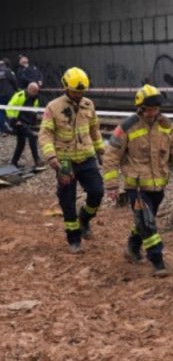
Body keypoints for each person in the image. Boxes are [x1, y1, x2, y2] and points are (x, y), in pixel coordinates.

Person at [103, 84, 173, 277]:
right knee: (148, 223)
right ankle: (157, 260)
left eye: (156, 109)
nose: (153, 112)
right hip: (137, 186)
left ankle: (132, 247)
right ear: (140, 107)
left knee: (142, 221)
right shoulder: (126, 127)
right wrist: (111, 185)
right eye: (149, 109)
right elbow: (111, 156)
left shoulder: (166, 125)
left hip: (158, 185)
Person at [39, 67, 105, 254]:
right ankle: (74, 238)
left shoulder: (88, 105)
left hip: (86, 157)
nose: (78, 95)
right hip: (64, 161)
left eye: (81, 91)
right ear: (66, 87)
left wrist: (101, 150)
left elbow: (94, 130)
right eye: (75, 91)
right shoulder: (53, 107)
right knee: (67, 201)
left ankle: (84, 219)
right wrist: (52, 157)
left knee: (97, 192)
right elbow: (45, 135)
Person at [7, 82, 44, 171]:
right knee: (32, 136)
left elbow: (34, 111)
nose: (35, 93)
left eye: (36, 91)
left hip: (27, 122)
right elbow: (9, 107)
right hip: (17, 121)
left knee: (21, 143)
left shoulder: (35, 99)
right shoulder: (19, 95)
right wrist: (14, 120)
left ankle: (14, 163)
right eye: (34, 91)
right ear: (29, 89)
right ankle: (37, 160)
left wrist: (34, 122)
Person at [0, 59, 17, 134]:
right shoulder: (9, 71)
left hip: (1, 95)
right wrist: (17, 90)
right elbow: (14, 81)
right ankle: (9, 127)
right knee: (10, 110)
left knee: (1, 111)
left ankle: (3, 128)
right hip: (9, 94)